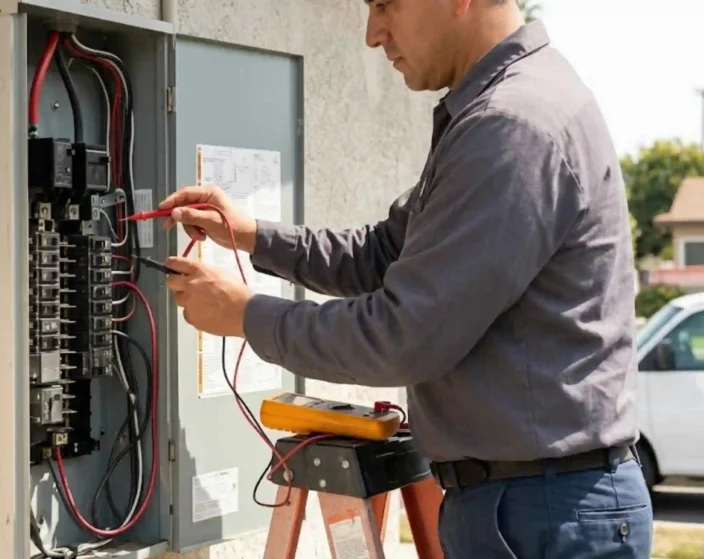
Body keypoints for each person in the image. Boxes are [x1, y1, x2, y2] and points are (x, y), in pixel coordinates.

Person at [159, 0, 653, 557]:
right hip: (527, 500)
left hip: (541, 512)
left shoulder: (511, 126)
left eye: (385, 4)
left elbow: (406, 335)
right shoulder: (494, 110)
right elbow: (381, 254)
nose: (373, 34)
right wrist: (249, 234)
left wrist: (246, 315)